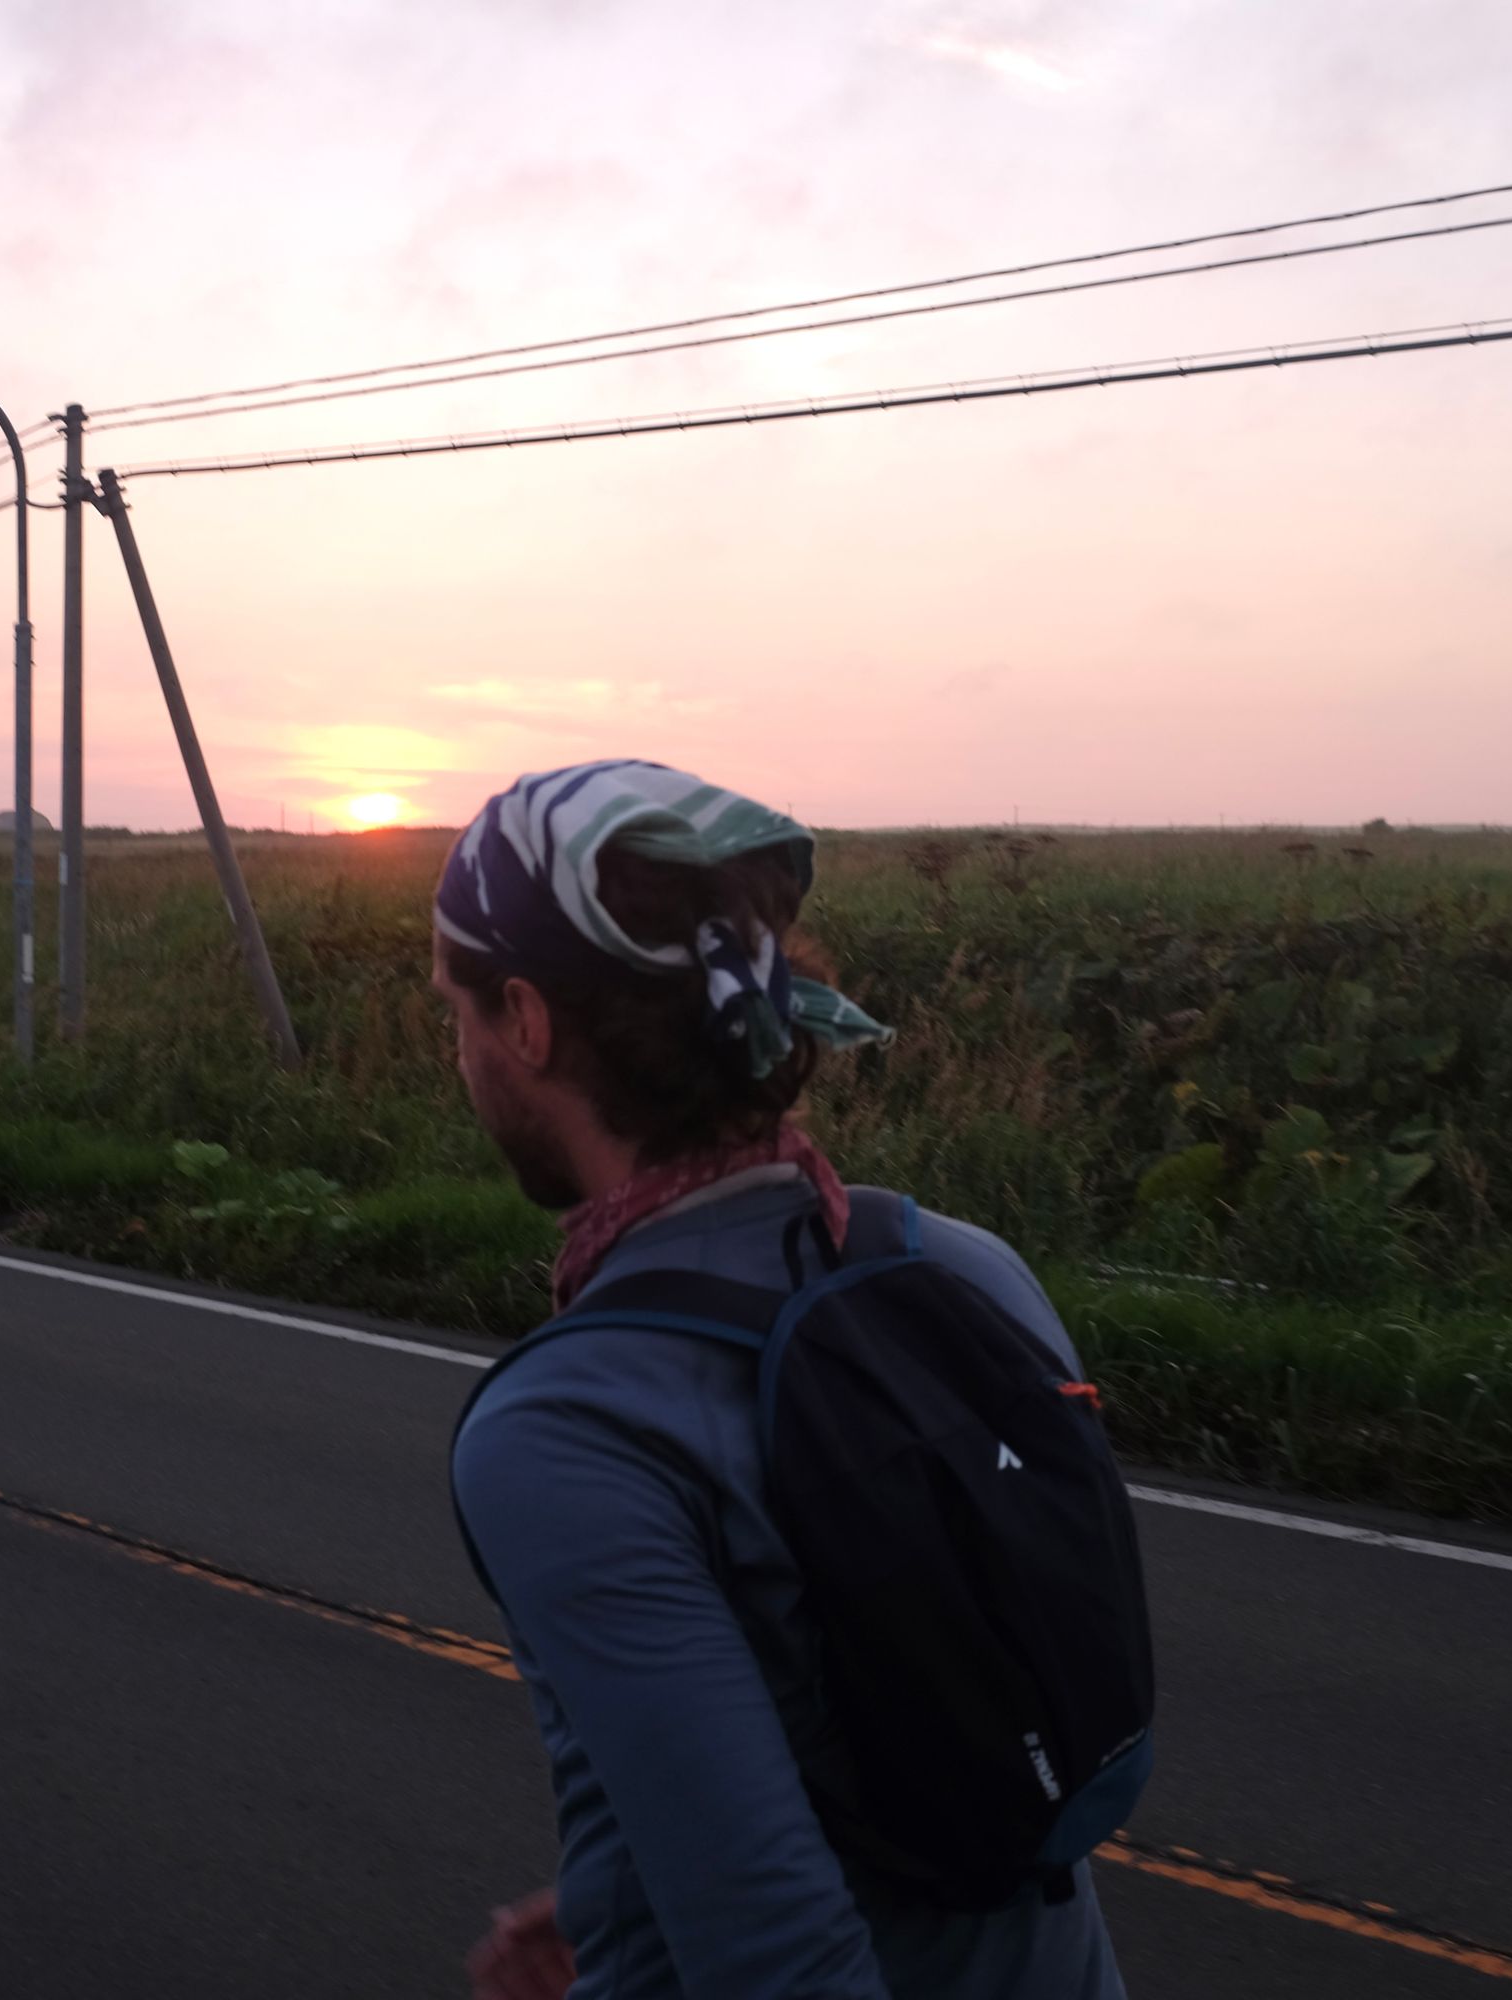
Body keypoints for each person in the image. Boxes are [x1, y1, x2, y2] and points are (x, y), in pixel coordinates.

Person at [439, 761, 1130, 2000]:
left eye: (463, 1011)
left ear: (529, 1021)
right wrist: (639, 1883)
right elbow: (937, 1742)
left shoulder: (570, 1429)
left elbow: (784, 1964)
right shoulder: (963, 1271)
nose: (465, 1051)